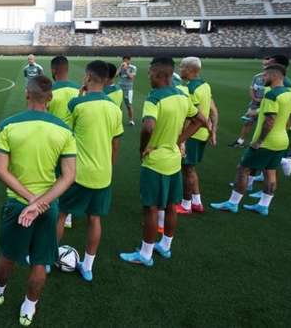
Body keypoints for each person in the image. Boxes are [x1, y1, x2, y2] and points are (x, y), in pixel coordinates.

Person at [0, 75, 76, 327]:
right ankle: (28, 310)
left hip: (17, 205)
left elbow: (0, 170)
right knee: (41, 260)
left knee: (8, 254)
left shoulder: (8, 126)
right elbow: (69, 176)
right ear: (51, 98)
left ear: (26, 94)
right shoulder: (64, 130)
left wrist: (30, 200)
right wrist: (41, 202)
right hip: (48, 205)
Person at [119, 57, 206, 267]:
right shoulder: (181, 95)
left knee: (150, 208)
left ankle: (145, 254)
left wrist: (143, 148)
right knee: (169, 206)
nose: (148, 76)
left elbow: (148, 126)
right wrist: (179, 141)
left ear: (159, 74)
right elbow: (201, 120)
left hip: (156, 161)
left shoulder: (154, 98)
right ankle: (165, 246)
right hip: (174, 160)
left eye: (150, 72)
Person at [58, 61, 123, 282]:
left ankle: (48, 259)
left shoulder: (77, 104)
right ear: (106, 80)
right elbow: (116, 143)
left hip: (78, 174)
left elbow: (64, 133)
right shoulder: (114, 109)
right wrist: (109, 167)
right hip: (103, 174)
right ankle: (87, 267)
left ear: (87, 77)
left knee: (61, 213)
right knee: (94, 219)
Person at [211, 64, 291, 216]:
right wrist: (256, 113)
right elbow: (290, 117)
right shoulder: (289, 93)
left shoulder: (272, 95)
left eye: (265, 75)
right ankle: (263, 205)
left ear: (274, 76)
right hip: (282, 140)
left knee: (243, 169)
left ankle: (233, 203)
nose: (263, 78)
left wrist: (259, 141)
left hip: (267, 142)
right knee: (270, 171)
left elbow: (270, 120)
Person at [177, 57, 218, 215]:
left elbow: (191, 117)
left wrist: (182, 140)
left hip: (192, 135)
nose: (180, 70)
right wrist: (213, 131)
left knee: (186, 169)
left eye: (182, 67)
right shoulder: (205, 85)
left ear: (189, 70)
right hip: (201, 134)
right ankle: (196, 202)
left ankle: (186, 204)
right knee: (190, 168)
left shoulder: (192, 89)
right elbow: (213, 110)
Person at [48, 56, 80, 230]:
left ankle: (54, 208)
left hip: (53, 140)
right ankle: (68, 214)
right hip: (73, 140)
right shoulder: (79, 90)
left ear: (54, 70)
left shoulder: (50, 91)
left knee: (54, 175)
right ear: (67, 69)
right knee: (70, 175)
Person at [117, 56, 137, 126]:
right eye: (123, 60)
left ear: (129, 60)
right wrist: (120, 67)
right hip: (119, 88)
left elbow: (131, 77)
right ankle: (118, 120)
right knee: (119, 105)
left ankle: (131, 120)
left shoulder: (133, 67)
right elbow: (116, 75)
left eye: (126, 60)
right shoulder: (121, 66)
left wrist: (126, 70)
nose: (124, 62)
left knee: (129, 105)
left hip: (128, 89)